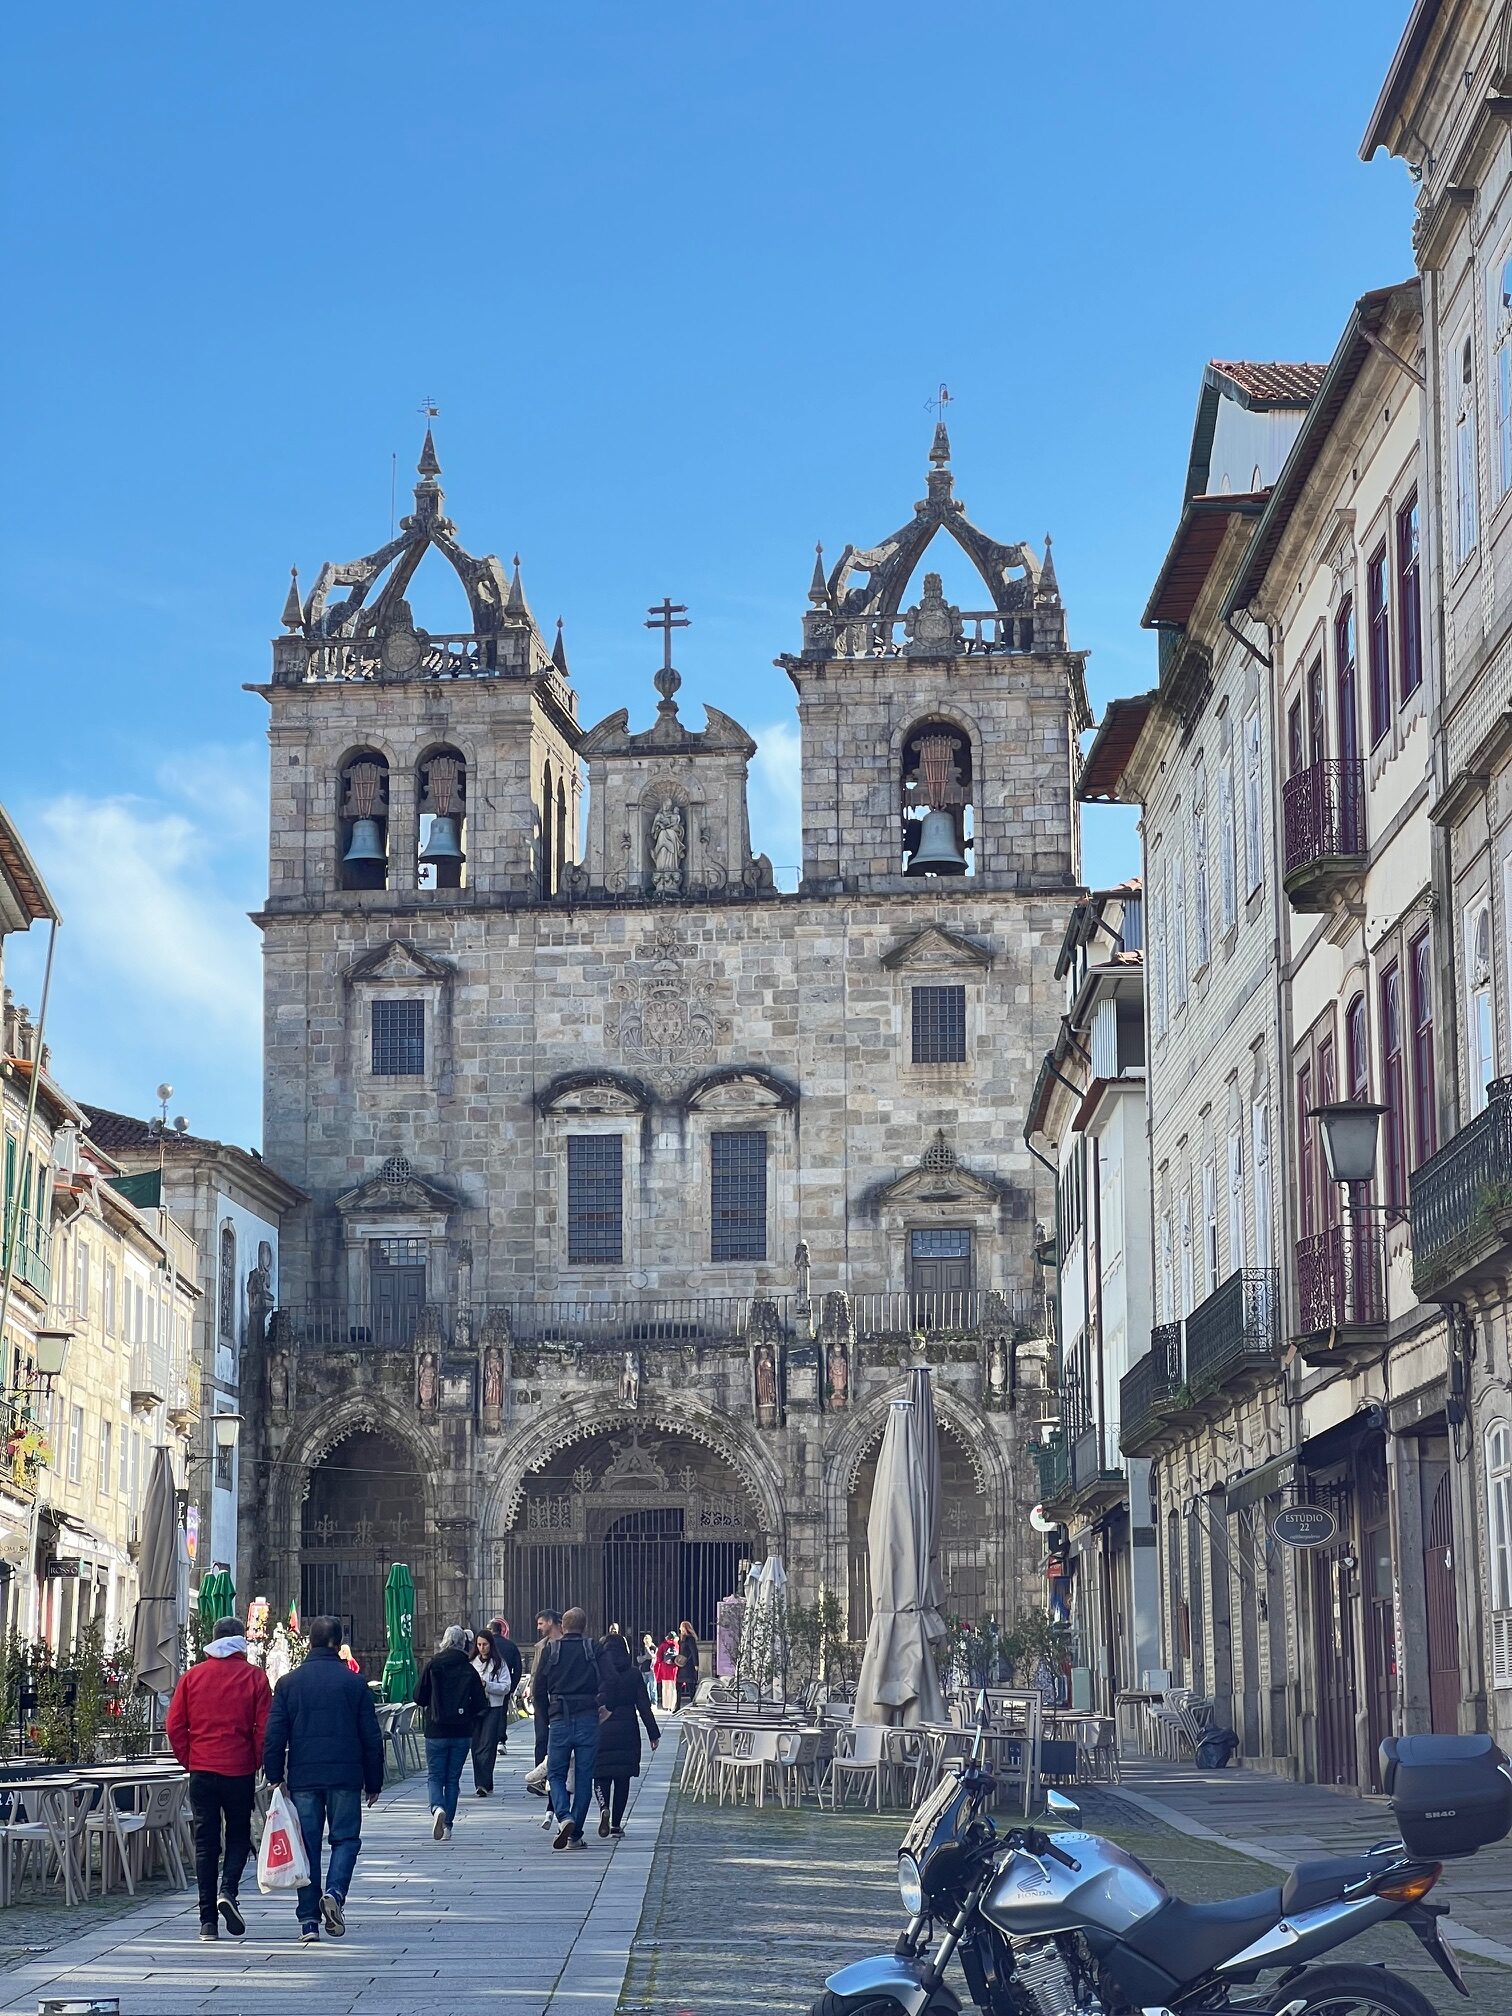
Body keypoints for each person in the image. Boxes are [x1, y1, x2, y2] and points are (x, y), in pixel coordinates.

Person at [263, 1613, 383, 1946]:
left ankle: (309, 1922)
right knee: (345, 1840)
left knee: (306, 1847)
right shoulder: (354, 1683)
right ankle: (335, 1892)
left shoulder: (289, 1683)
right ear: (337, 1643)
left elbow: (274, 1735)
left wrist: (275, 1775)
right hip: (345, 1775)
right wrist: (374, 1781)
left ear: (312, 1642)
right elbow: (370, 1736)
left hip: (304, 1777)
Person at [166, 1614, 271, 1942]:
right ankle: (229, 1890)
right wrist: (254, 1760)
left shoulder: (191, 1677)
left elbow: (174, 1726)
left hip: (202, 1770)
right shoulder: (255, 1678)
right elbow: (263, 1729)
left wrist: (190, 1759)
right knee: (239, 1836)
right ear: (241, 1640)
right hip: (238, 1769)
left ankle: (207, 1921)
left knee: (205, 1843)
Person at [415, 1623, 488, 1839]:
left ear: (444, 1641)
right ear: (463, 1643)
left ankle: (437, 1807)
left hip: (436, 1730)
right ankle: (447, 1826)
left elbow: (418, 1696)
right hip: (461, 1731)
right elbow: (480, 1704)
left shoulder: (433, 1665)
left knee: (435, 1776)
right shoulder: (469, 1668)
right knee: (453, 1779)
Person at [542, 1606, 601, 1849]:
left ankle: (564, 1815)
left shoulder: (552, 1649)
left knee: (555, 1773)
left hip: (559, 1718)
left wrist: (545, 1716)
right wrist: (603, 1705)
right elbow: (608, 1679)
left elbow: (538, 1687)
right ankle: (575, 1834)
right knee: (584, 1777)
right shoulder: (592, 1648)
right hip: (588, 1717)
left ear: (563, 1627)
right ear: (584, 1626)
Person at [593, 1630, 659, 1838]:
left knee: (600, 1774)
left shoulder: (597, 1672)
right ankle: (616, 1824)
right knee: (623, 1778)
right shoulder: (633, 1673)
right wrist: (653, 1733)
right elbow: (644, 1705)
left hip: (601, 1727)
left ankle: (603, 1807)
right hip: (627, 1729)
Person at [469, 1627, 510, 1796]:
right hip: (476, 1708)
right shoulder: (472, 1663)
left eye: (485, 1644)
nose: (482, 1648)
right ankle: (481, 1781)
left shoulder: (499, 1663)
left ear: (490, 1645)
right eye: (479, 1644)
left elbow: (506, 1687)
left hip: (493, 1707)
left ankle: (484, 1783)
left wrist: (487, 1685)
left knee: (488, 1744)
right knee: (476, 1745)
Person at [527, 1609, 563, 1790]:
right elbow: (536, 1673)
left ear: (550, 1622)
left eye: (541, 1623)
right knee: (541, 1738)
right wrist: (532, 1691)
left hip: (560, 1699)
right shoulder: (541, 1646)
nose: (538, 1627)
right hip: (542, 1699)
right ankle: (539, 1779)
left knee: (558, 1739)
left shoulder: (567, 1642)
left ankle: (556, 1777)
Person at [488, 1616, 523, 1751]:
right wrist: (512, 1686)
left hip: (488, 1684)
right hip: (504, 1685)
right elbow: (518, 1669)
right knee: (501, 1711)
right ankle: (501, 1740)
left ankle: (489, 1738)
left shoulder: (487, 1645)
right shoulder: (511, 1645)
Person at [674, 1619, 700, 1709]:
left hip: (688, 1665)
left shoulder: (690, 1638)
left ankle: (693, 1704)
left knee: (691, 1687)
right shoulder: (681, 1639)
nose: (680, 1628)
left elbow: (694, 1651)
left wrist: (696, 1664)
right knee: (678, 1686)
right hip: (682, 1665)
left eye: (681, 1627)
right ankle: (677, 1706)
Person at [654, 1631, 678, 1714]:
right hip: (674, 1669)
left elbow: (659, 1658)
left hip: (664, 1670)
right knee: (673, 1688)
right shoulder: (677, 1645)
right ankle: (672, 1705)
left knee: (665, 1688)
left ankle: (666, 1706)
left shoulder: (663, 1645)